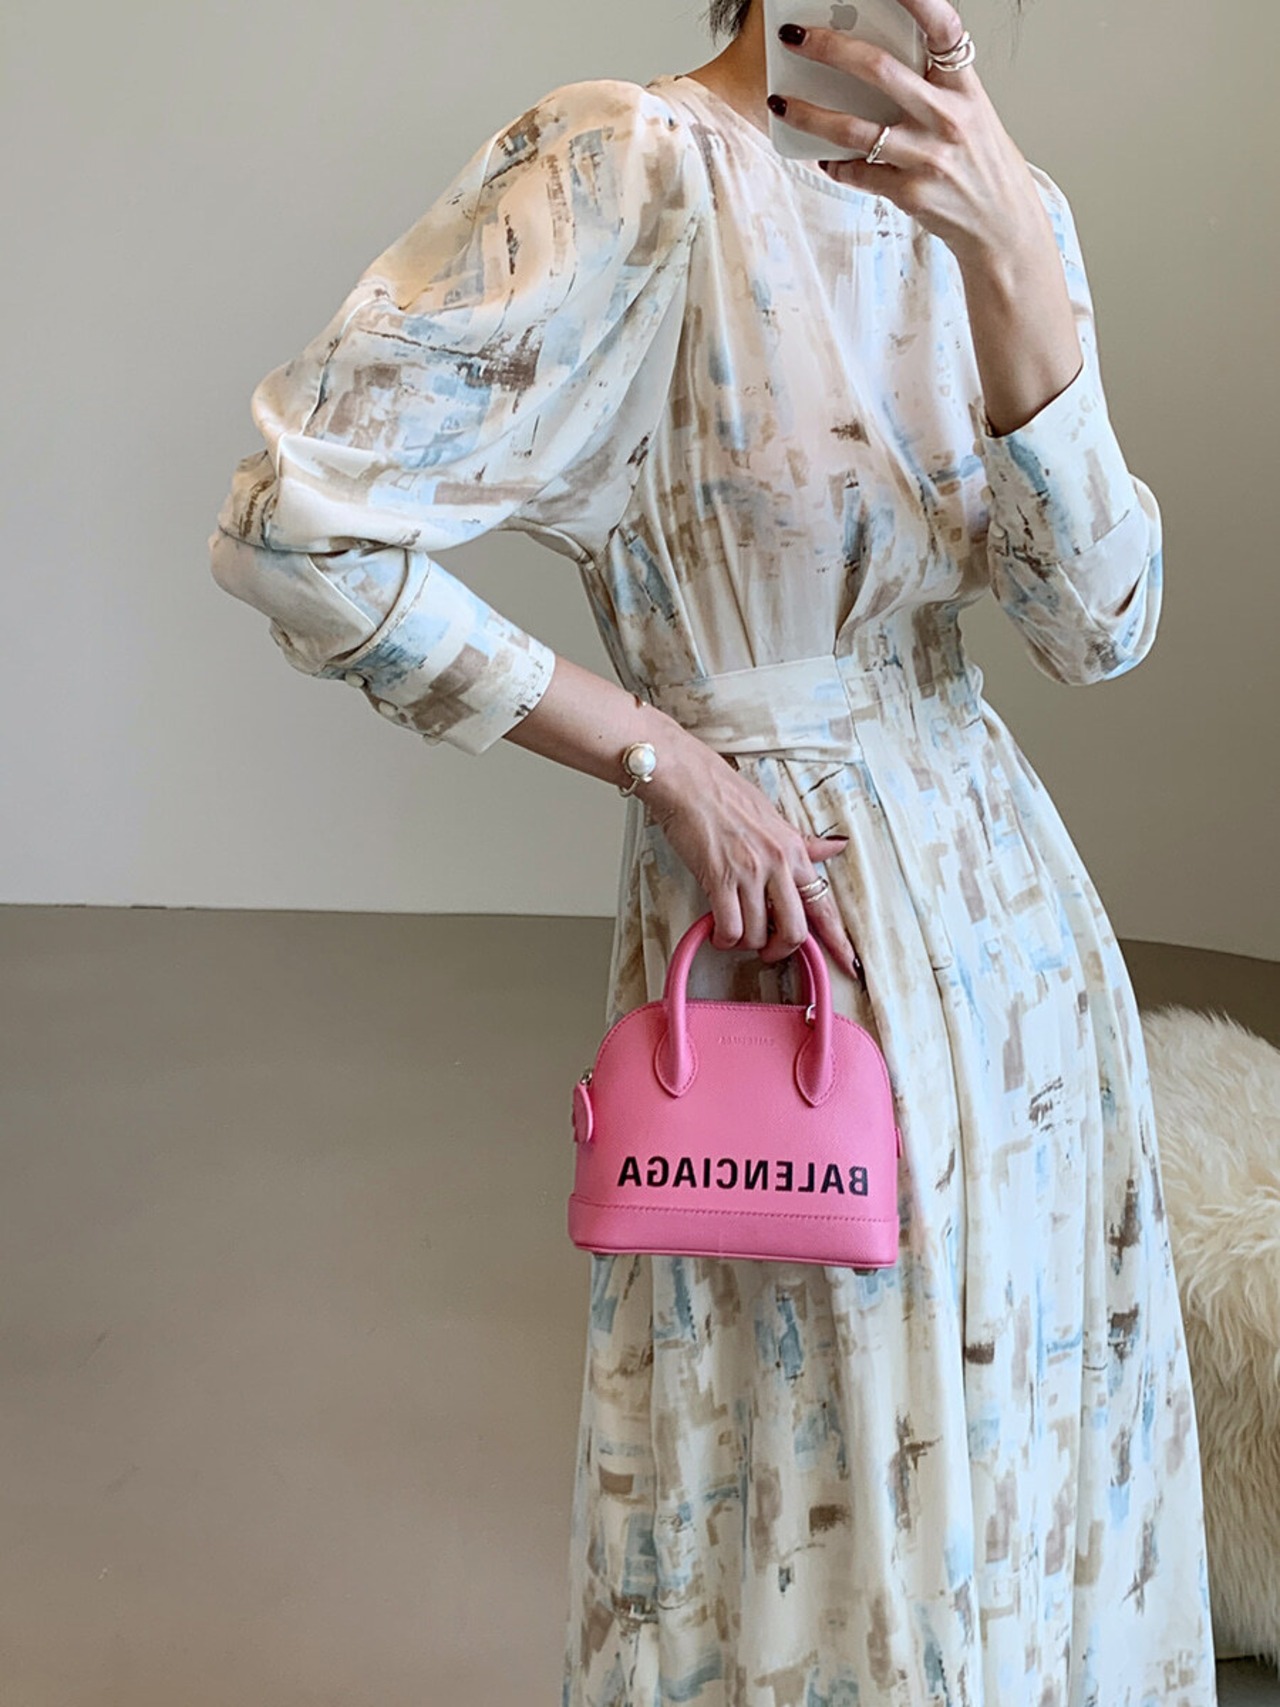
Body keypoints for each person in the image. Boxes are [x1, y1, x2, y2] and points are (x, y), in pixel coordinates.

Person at [208, 0, 1219, 1699]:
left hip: (1023, 964)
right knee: (824, 1503)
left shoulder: (1006, 208)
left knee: (1028, 1487)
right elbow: (288, 528)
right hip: (793, 942)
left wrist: (1010, 259)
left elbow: (1099, 625)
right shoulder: (630, 166)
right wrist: (656, 751)